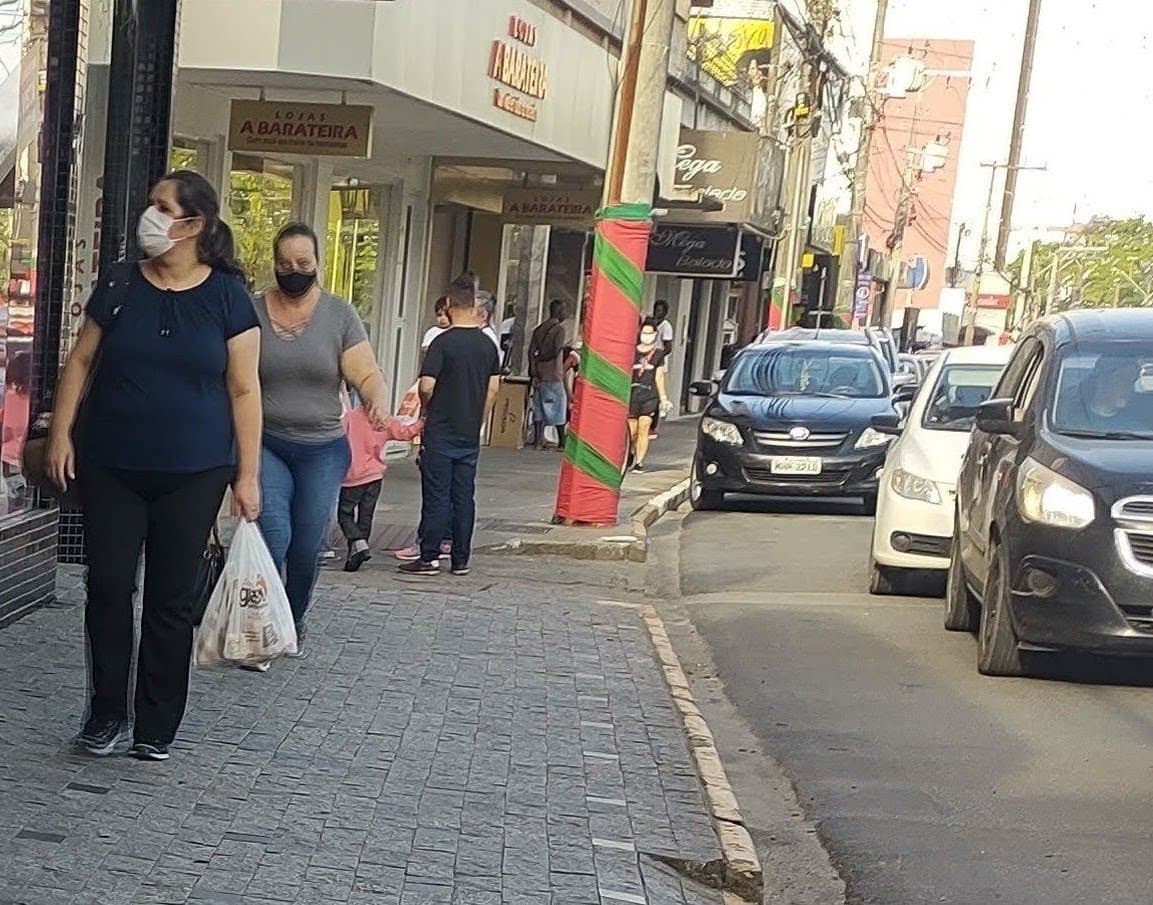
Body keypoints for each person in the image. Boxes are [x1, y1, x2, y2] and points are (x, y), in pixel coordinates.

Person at [45, 170, 262, 761]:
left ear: (192, 226)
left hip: (194, 472)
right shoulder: (118, 284)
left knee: (170, 598)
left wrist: (247, 474)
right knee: (110, 585)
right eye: (150, 205)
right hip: (111, 463)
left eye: (161, 208)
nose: (150, 216)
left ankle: (156, 725)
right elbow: (80, 361)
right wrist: (61, 433)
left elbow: (244, 390)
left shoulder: (227, 298)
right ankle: (106, 712)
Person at [254, 222, 389, 649]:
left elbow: (365, 371)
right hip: (265, 441)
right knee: (274, 534)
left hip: (321, 448)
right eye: (285, 264)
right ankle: (264, 625)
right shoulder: (251, 311)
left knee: (307, 542)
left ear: (319, 265)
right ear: (273, 264)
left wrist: (375, 400)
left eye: (303, 264)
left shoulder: (338, 315)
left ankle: (291, 620)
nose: (294, 271)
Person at [399, 281, 500, 577]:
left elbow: (426, 385)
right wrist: (480, 417)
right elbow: (493, 389)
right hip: (469, 430)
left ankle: (429, 556)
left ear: (451, 306)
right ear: (474, 307)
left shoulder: (441, 343)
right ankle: (460, 559)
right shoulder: (487, 345)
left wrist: (431, 406)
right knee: (463, 495)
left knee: (437, 494)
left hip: (441, 428)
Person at [339, 400, 423, 572]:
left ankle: (357, 544)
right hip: (374, 475)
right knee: (366, 515)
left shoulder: (351, 417)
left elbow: (337, 438)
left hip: (353, 476)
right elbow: (404, 433)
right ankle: (358, 551)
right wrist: (422, 422)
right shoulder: (383, 419)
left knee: (344, 513)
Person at [628, 318, 670, 473]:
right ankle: (631, 452)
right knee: (632, 431)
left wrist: (663, 397)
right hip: (633, 394)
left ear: (655, 334)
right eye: (644, 332)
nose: (646, 336)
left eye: (650, 333)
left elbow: (659, 376)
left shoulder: (658, 355)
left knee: (644, 426)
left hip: (650, 396)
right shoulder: (632, 352)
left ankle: (639, 462)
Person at [528, 299, 568, 450]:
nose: (566, 313)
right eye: (564, 310)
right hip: (554, 373)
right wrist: (544, 358)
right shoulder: (559, 330)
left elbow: (531, 351)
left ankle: (538, 440)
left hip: (539, 374)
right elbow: (557, 350)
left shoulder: (539, 329)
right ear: (558, 312)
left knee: (539, 406)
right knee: (559, 405)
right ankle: (562, 441)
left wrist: (534, 370)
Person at [650, 300, 674, 438]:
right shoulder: (651, 324)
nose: (657, 312)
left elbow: (668, 347)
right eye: (656, 309)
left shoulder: (666, 327)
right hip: (647, 361)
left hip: (658, 364)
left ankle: (654, 424)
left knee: (656, 393)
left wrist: (658, 357)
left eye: (660, 310)